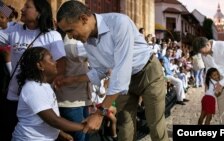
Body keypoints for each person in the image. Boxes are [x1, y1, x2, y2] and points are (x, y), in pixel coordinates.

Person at [56, 1, 168, 141]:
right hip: (122, 81)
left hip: (148, 73)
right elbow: (100, 71)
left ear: (84, 19)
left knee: (156, 126)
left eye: (70, 31)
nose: (71, 37)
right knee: (124, 127)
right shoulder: (87, 40)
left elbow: (121, 70)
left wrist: (99, 113)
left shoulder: (119, 23)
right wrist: (70, 80)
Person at [1, 0, 66, 140]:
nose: (23, 9)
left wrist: (48, 86)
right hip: (14, 98)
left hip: (38, 101)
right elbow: (6, 20)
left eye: (27, 7)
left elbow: (61, 64)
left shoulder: (52, 36)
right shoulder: (14, 29)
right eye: (23, 6)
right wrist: (4, 8)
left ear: (39, 13)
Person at [12, 47, 85, 141]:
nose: (55, 62)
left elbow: (45, 120)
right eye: (51, 59)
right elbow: (53, 120)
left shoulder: (44, 86)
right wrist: (84, 127)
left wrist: (59, 133)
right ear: (40, 65)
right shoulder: (33, 88)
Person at [192, 36, 224, 124]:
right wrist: (209, 87)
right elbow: (209, 70)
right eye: (201, 53)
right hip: (219, 80)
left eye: (203, 52)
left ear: (208, 44)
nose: (203, 55)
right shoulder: (203, 54)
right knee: (222, 108)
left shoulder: (223, 46)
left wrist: (221, 83)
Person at [54, 31, 92, 141]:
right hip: (72, 101)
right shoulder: (74, 44)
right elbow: (101, 57)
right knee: (82, 136)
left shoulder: (66, 42)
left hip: (78, 98)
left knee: (83, 134)